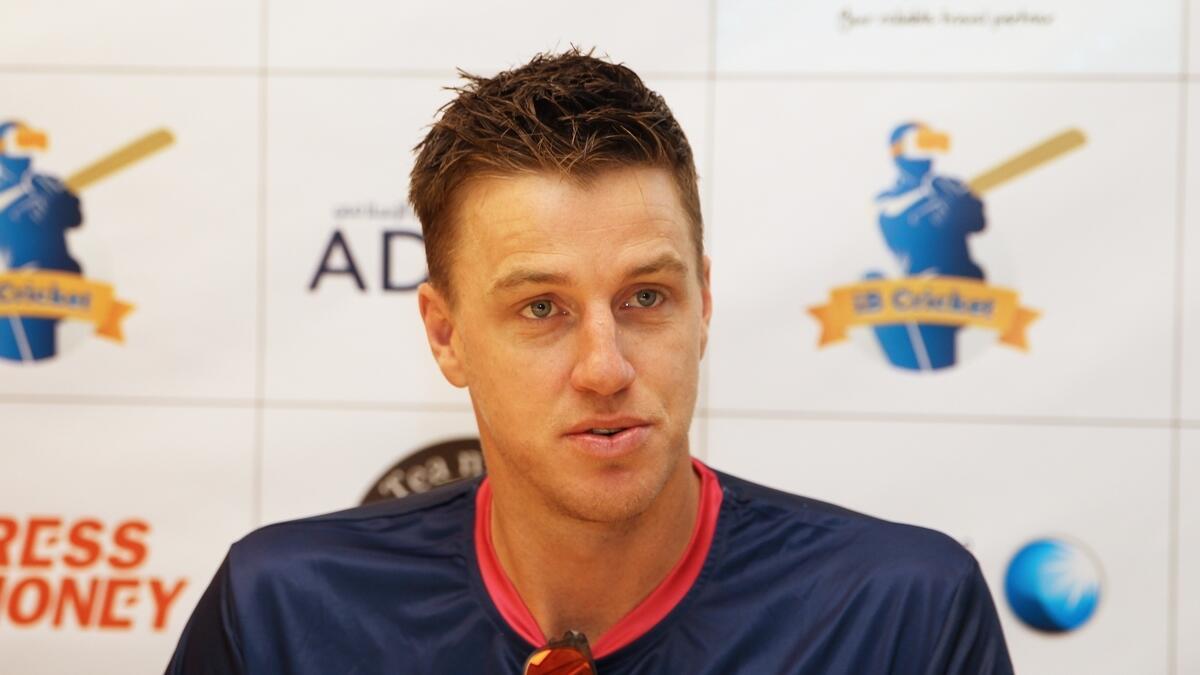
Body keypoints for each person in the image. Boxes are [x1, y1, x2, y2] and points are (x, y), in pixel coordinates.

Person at [166, 49, 1014, 674]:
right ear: (446, 334)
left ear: (703, 304)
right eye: (542, 308)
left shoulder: (904, 615)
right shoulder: (282, 612)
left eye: (645, 296)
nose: (605, 368)